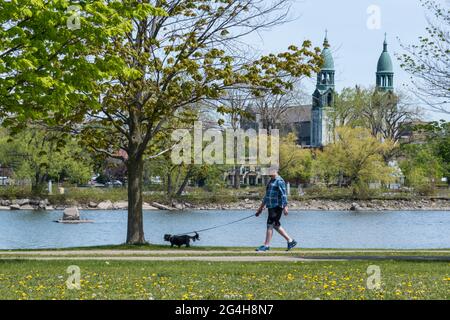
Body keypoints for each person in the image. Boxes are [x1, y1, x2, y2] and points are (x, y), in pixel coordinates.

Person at [255, 167, 297, 252]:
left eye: (270, 171)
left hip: (277, 206)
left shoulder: (280, 181)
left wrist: (285, 207)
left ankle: (266, 246)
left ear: (275, 171)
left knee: (270, 224)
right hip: (270, 206)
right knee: (275, 225)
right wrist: (260, 208)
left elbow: (283, 195)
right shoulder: (271, 181)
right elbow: (267, 196)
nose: (268, 173)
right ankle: (290, 241)